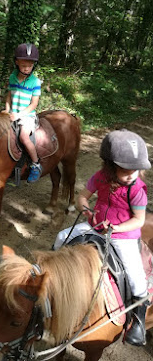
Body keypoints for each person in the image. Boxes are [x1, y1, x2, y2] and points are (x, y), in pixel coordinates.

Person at [53, 129, 151, 346]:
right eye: (126, 171)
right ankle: (52, 279)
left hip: (122, 235)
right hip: (95, 226)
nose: (132, 175)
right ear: (109, 166)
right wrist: (87, 211)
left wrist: (115, 228)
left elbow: (138, 220)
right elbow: (82, 197)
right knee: (61, 238)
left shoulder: (137, 190)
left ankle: (138, 321)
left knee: (136, 278)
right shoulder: (100, 177)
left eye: (136, 170)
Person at [3, 43, 42, 182]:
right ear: (17, 62)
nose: (26, 68)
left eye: (30, 66)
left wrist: (19, 115)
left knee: (24, 137)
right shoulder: (12, 77)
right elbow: (9, 95)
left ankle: (36, 164)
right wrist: (7, 109)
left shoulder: (35, 82)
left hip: (27, 116)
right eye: (24, 65)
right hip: (12, 113)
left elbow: (34, 104)